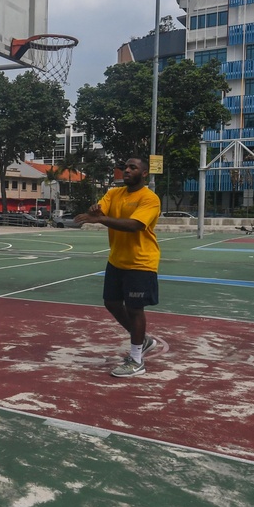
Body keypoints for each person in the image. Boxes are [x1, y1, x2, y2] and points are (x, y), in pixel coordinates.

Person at [75, 157, 160, 378]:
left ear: (144, 174)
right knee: (111, 303)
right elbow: (99, 212)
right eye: (125, 167)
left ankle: (136, 361)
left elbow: (134, 225)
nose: (127, 170)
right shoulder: (114, 194)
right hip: (117, 260)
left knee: (134, 308)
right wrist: (94, 212)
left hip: (141, 261)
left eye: (133, 168)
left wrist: (101, 220)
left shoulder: (149, 199)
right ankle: (143, 340)